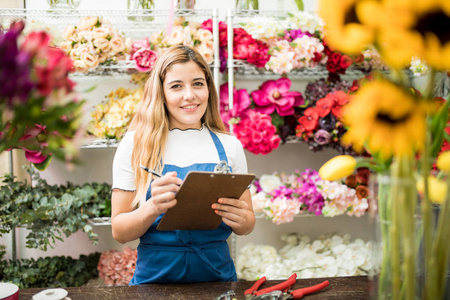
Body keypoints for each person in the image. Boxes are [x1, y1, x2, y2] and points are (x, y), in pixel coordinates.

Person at [111, 45, 255, 285]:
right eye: (177, 86)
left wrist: (242, 220)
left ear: (208, 88)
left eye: (198, 83)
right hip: (153, 284)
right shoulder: (135, 144)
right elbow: (120, 232)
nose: (190, 95)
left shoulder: (229, 146)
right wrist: (152, 208)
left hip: (217, 280)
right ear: (161, 92)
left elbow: (247, 224)